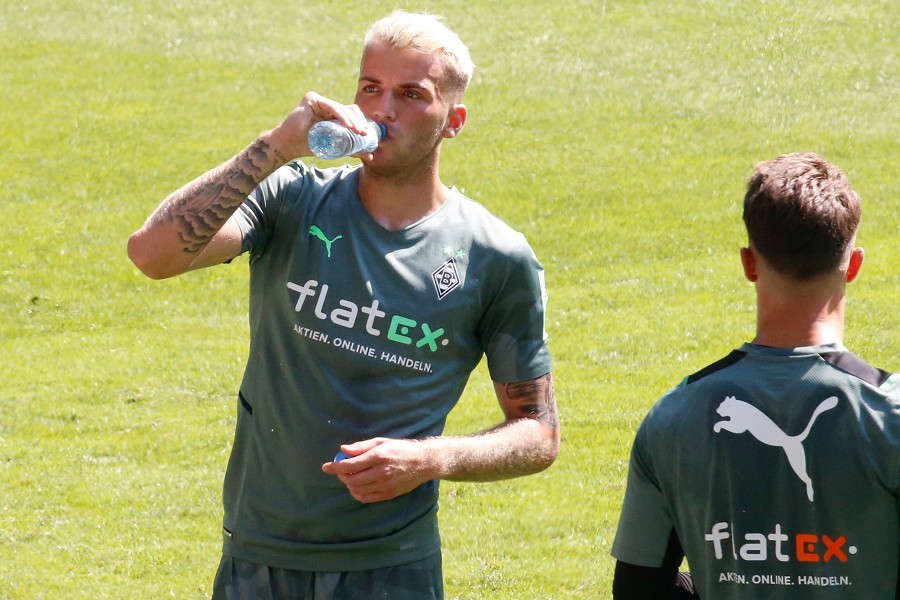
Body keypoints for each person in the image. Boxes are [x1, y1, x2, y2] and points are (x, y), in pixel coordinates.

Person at [127, 11, 558, 599]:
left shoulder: (495, 257)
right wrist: (277, 145)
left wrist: (431, 458)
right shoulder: (292, 198)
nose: (382, 110)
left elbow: (537, 433)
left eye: (411, 95)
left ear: (452, 121)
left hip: (390, 566)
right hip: (257, 551)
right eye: (370, 87)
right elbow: (153, 254)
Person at [611, 152, 900, 599]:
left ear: (749, 263)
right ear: (855, 264)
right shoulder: (890, 415)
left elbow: (638, 589)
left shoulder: (673, 418)